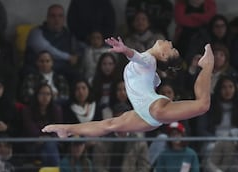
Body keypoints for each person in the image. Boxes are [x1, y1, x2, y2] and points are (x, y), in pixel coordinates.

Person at [42, 37, 213, 137]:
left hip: (154, 110)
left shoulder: (149, 60)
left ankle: (207, 65)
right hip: (145, 114)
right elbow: (148, 79)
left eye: (172, 48)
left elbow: (137, 57)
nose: (169, 42)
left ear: (162, 55)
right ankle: (67, 129)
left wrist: (125, 50)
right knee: (109, 125)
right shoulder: (151, 69)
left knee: (203, 105)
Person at [22, 4, 84, 82]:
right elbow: (31, 57)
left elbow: (76, 58)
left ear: (64, 19)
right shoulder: (36, 33)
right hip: (38, 71)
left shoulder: (70, 36)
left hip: (62, 73)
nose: (56, 19)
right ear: (47, 18)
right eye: (53, 16)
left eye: (60, 16)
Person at [93, 103, 150, 172]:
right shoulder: (102, 141)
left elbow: (144, 167)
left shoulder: (139, 142)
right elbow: (98, 166)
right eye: (117, 119)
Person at [21, 83, 62, 166]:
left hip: (52, 143)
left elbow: (58, 129)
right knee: (48, 147)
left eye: (48, 94)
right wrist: (42, 137)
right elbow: (31, 129)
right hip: (34, 143)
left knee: (47, 149)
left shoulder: (56, 110)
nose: (45, 97)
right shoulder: (27, 110)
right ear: (36, 95)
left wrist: (48, 138)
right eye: (42, 93)